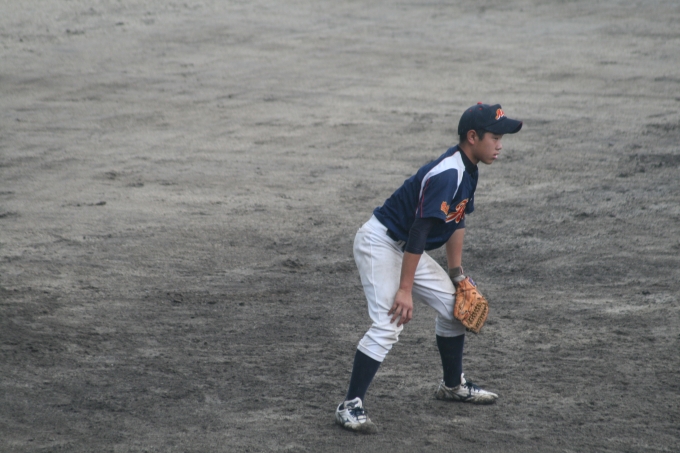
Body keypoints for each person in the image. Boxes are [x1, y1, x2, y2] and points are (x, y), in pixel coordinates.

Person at [335, 103, 523, 433]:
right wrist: (405, 289)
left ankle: (452, 386)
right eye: (495, 137)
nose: (500, 145)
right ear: (473, 137)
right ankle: (350, 405)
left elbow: (457, 219)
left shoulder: (469, 169)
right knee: (390, 322)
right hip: (380, 243)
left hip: (405, 247)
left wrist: (457, 273)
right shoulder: (449, 173)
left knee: (455, 307)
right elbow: (419, 231)